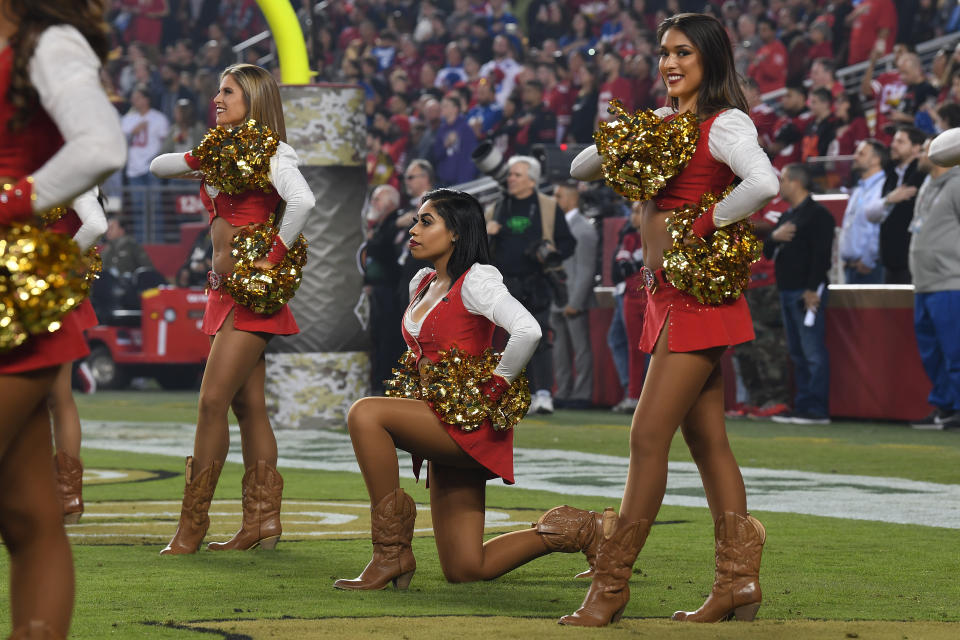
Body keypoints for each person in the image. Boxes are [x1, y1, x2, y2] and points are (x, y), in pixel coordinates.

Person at [567, 12, 778, 626]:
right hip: (665, 296)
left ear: (710, 59)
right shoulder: (664, 124)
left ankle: (610, 587)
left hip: (696, 298)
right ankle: (737, 584)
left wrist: (705, 222)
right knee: (707, 441)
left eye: (683, 52)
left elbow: (763, 183)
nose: (669, 63)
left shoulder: (725, 123)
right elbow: (583, 166)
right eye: (663, 53)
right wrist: (633, 132)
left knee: (645, 437)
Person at [334, 188, 604, 590]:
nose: (415, 229)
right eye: (415, 221)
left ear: (456, 232)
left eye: (427, 222)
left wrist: (496, 387)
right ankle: (588, 528)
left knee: (365, 413)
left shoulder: (478, 279)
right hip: (439, 418)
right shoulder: (422, 281)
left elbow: (528, 330)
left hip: (466, 423)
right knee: (465, 568)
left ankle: (390, 554)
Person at [149, 63, 316, 555]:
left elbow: (302, 201)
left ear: (254, 100)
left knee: (210, 402)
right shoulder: (218, 150)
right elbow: (157, 166)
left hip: (250, 291)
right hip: (222, 289)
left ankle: (191, 525)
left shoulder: (273, 150)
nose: (217, 98)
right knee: (248, 406)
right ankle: (261, 521)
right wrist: (195, 156)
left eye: (228, 92)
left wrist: (274, 257)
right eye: (217, 90)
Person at [0, 1, 126, 636]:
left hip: (8, 297)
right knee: (26, 515)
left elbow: (102, 144)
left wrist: (17, 200)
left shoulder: (44, 44)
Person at [485, 156, 576, 415]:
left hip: (537, 282)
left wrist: (550, 252)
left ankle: (544, 393)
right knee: (504, 341)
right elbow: (479, 250)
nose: (510, 179)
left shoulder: (547, 206)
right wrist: (486, 233)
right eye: (510, 175)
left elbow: (568, 243)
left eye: (517, 175)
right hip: (503, 285)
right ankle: (513, 393)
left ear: (532, 179)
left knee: (539, 337)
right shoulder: (498, 207)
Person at [46, 190, 108, 525]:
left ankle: (56, 496)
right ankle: (66, 499)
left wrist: (56, 264)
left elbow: (96, 223)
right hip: (27, 293)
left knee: (47, 398)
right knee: (55, 398)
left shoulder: (72, 167)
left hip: (46, 293)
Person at [765, 164, 836, 425]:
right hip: (786, 290)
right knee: (797, 352)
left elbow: (822, 256)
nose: (779, 185)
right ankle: (804, 405)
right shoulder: (787, 217)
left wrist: (812, 288)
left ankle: (816, 408)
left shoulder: (819, 215)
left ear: (796, 182)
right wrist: (775, 236)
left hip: (805, 291)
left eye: (782, 180)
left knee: (812, 351)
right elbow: (768, 251)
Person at [908, 139, 960, 430]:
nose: (921, 152)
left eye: (926, 147)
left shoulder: (957, 183)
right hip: (925, 282)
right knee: (932, 352)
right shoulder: (928, 184)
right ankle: (944, 405)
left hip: (951, 280)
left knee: (955, 351)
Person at [550, 182, 597, 410]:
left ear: (571, 200)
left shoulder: (584, 229)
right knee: (559, 349)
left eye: (558, 196)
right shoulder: (557, 227)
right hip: (557, 296)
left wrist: (576, 301)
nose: (554, 200)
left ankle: (582, 393)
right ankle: (564, 390)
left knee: (580, 348)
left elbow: (587, 269)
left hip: (572, 298)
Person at [361, 184, 406, 395]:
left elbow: (381, 248)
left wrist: (371, 240)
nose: (373, 204)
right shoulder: (383, 225)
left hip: (390, 289)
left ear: (389, 202)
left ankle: (387, 384)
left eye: (377, 200)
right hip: (379, 289)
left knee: (388, 338)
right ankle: (379, 382)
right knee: (378, 338)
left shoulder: (397, 221)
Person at [867, 126, 927, 284]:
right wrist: (889, 199)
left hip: (913, 259)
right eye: (894, 140)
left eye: (900, 142)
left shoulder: (922, 175)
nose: (893, 145)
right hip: (889, 260)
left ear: (916, 148)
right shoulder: (891, 176)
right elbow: (870, 213)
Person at [120, 83, 170, 242]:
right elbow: (119, 143)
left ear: (146, 99)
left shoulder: (159, 118)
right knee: (138, 208)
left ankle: (158, 241)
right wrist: (133, 133)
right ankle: (142, 242)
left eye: (138, 97)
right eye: (133, 98)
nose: (134, 101)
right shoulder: (127, 119)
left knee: (155, 207)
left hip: (152, 167)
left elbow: (165, 144)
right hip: (133, 169)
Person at [839, 139, 888, 284]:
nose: (855, 157)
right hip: (852, 267)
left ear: (875, 160)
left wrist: (869, 259)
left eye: (861, 153)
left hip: (869, 268)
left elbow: (880, 226)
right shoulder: (860, 188)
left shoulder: (883, 186)